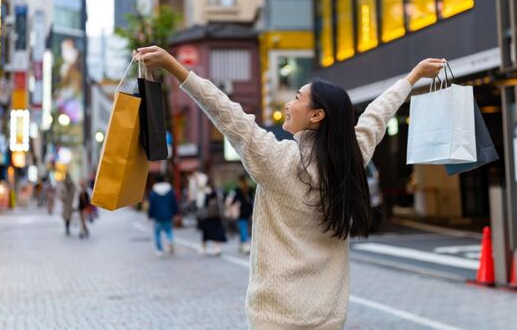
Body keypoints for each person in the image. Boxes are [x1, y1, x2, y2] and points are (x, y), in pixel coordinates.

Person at [134, 45, 444, 329]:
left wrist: (173, 66)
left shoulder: (277, 159)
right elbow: (377, 116)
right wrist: (413, 77)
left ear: (316, 115)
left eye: (297, 97)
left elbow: (225, 112)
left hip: (275, 316)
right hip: (328, 315)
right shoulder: (350, 158)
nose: (289, 103)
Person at [147, 175, 178, 256]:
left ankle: (159, 250)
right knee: (169, 230)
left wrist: (150, 214)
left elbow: (152, 205)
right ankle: (170, 240)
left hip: (157, 215)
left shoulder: (153, 192)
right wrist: (175, 212)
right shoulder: (170, 190)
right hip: (168, 214)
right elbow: (174, 203)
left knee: (157, 233)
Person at [232, 175, 254, 255]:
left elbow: (234, 200)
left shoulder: (238, 190)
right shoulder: (250, 189)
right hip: (249, 211)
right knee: (244, 228)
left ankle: (246, 245)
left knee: (243, 228)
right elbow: (252, 201)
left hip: (241, 212)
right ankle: (242, 245)